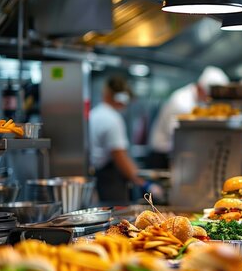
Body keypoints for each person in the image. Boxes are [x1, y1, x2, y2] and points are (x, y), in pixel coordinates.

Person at [89, 75, 162, 204]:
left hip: (98, 176)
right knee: (116, 217)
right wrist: (145, 184)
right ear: (121, 98)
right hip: (110, 181)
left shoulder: (94, 113)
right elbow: (120, 157)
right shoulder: (112, 119)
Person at [148, 66, 229, 169]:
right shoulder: (182, 102)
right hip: (163, 155)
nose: (209, 100)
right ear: (200, 88)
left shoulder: (198, 101)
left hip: (180, 152)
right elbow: (177, 134)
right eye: (208, 96)